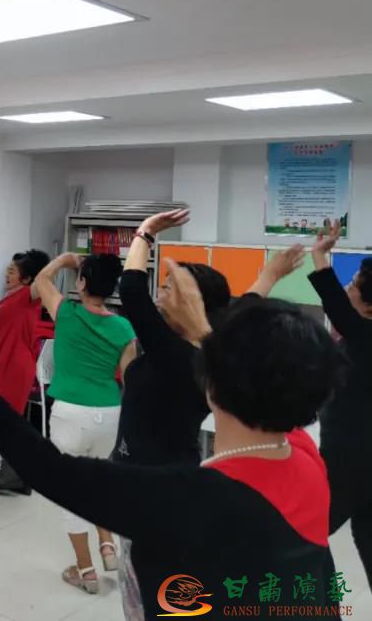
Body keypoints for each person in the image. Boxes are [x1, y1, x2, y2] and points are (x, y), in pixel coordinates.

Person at [0, 262, 344, 616]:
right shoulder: (306, 457)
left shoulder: (184, 499)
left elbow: (46, 467)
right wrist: (218, 322)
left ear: (215, 381)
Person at [114, 211, 303, 619]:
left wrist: (146, 232)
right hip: (179, 472)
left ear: (191, 303)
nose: (162, 294)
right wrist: (270, 273)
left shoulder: (172, 352)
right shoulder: (216, 347)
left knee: (144, 589)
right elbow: (246, 303)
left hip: (146, 485)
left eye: (169, 289)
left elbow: (130, 288)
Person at [31, 251, 136, 594]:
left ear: (83, 282)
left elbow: (40, 281)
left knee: (71, 491)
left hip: (71, 414)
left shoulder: (66, 313)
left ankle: (86, 570)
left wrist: (63, 260)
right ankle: (107, 544)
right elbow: (130, 378)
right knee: (99, 480)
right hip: (110, 412)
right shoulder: (124, 327)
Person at [306, 220, 372, 587]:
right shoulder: (360, 336)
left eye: (354, 286)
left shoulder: (363, 336)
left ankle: (319, 605)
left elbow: (332, 300)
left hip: (349, 459)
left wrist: (319, 254)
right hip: (358, 458)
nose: (347, 289)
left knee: (303, 535)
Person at [0, 249, 50, 494]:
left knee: (7, 421)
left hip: (15, 365)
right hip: (2, 361)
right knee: (7, 420)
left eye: (12, 271)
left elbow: (43, 278)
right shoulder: (11, 297)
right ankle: (19, 475)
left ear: (27, 278)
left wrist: (62, 261)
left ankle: (13, 474)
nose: (7, 274)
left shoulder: (28, 295)